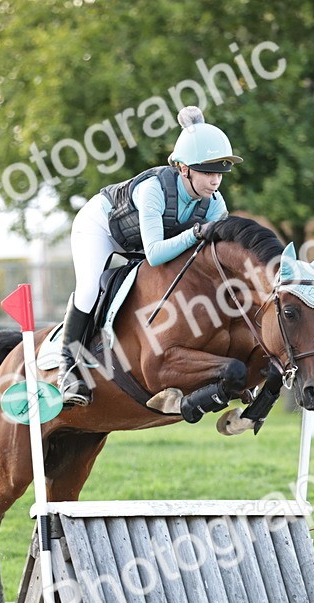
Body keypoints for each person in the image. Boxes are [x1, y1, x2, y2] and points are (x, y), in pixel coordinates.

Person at [56, 106, 242, 406]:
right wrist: (195, 233)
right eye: (208, 172)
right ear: (184, 169)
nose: (216, 180)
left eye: (220, 172)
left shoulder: (215, 206)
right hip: (102, 228)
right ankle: (68, 369)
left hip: (139, 242)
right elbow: (155, 255)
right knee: (91, 287)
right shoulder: (153, 188)